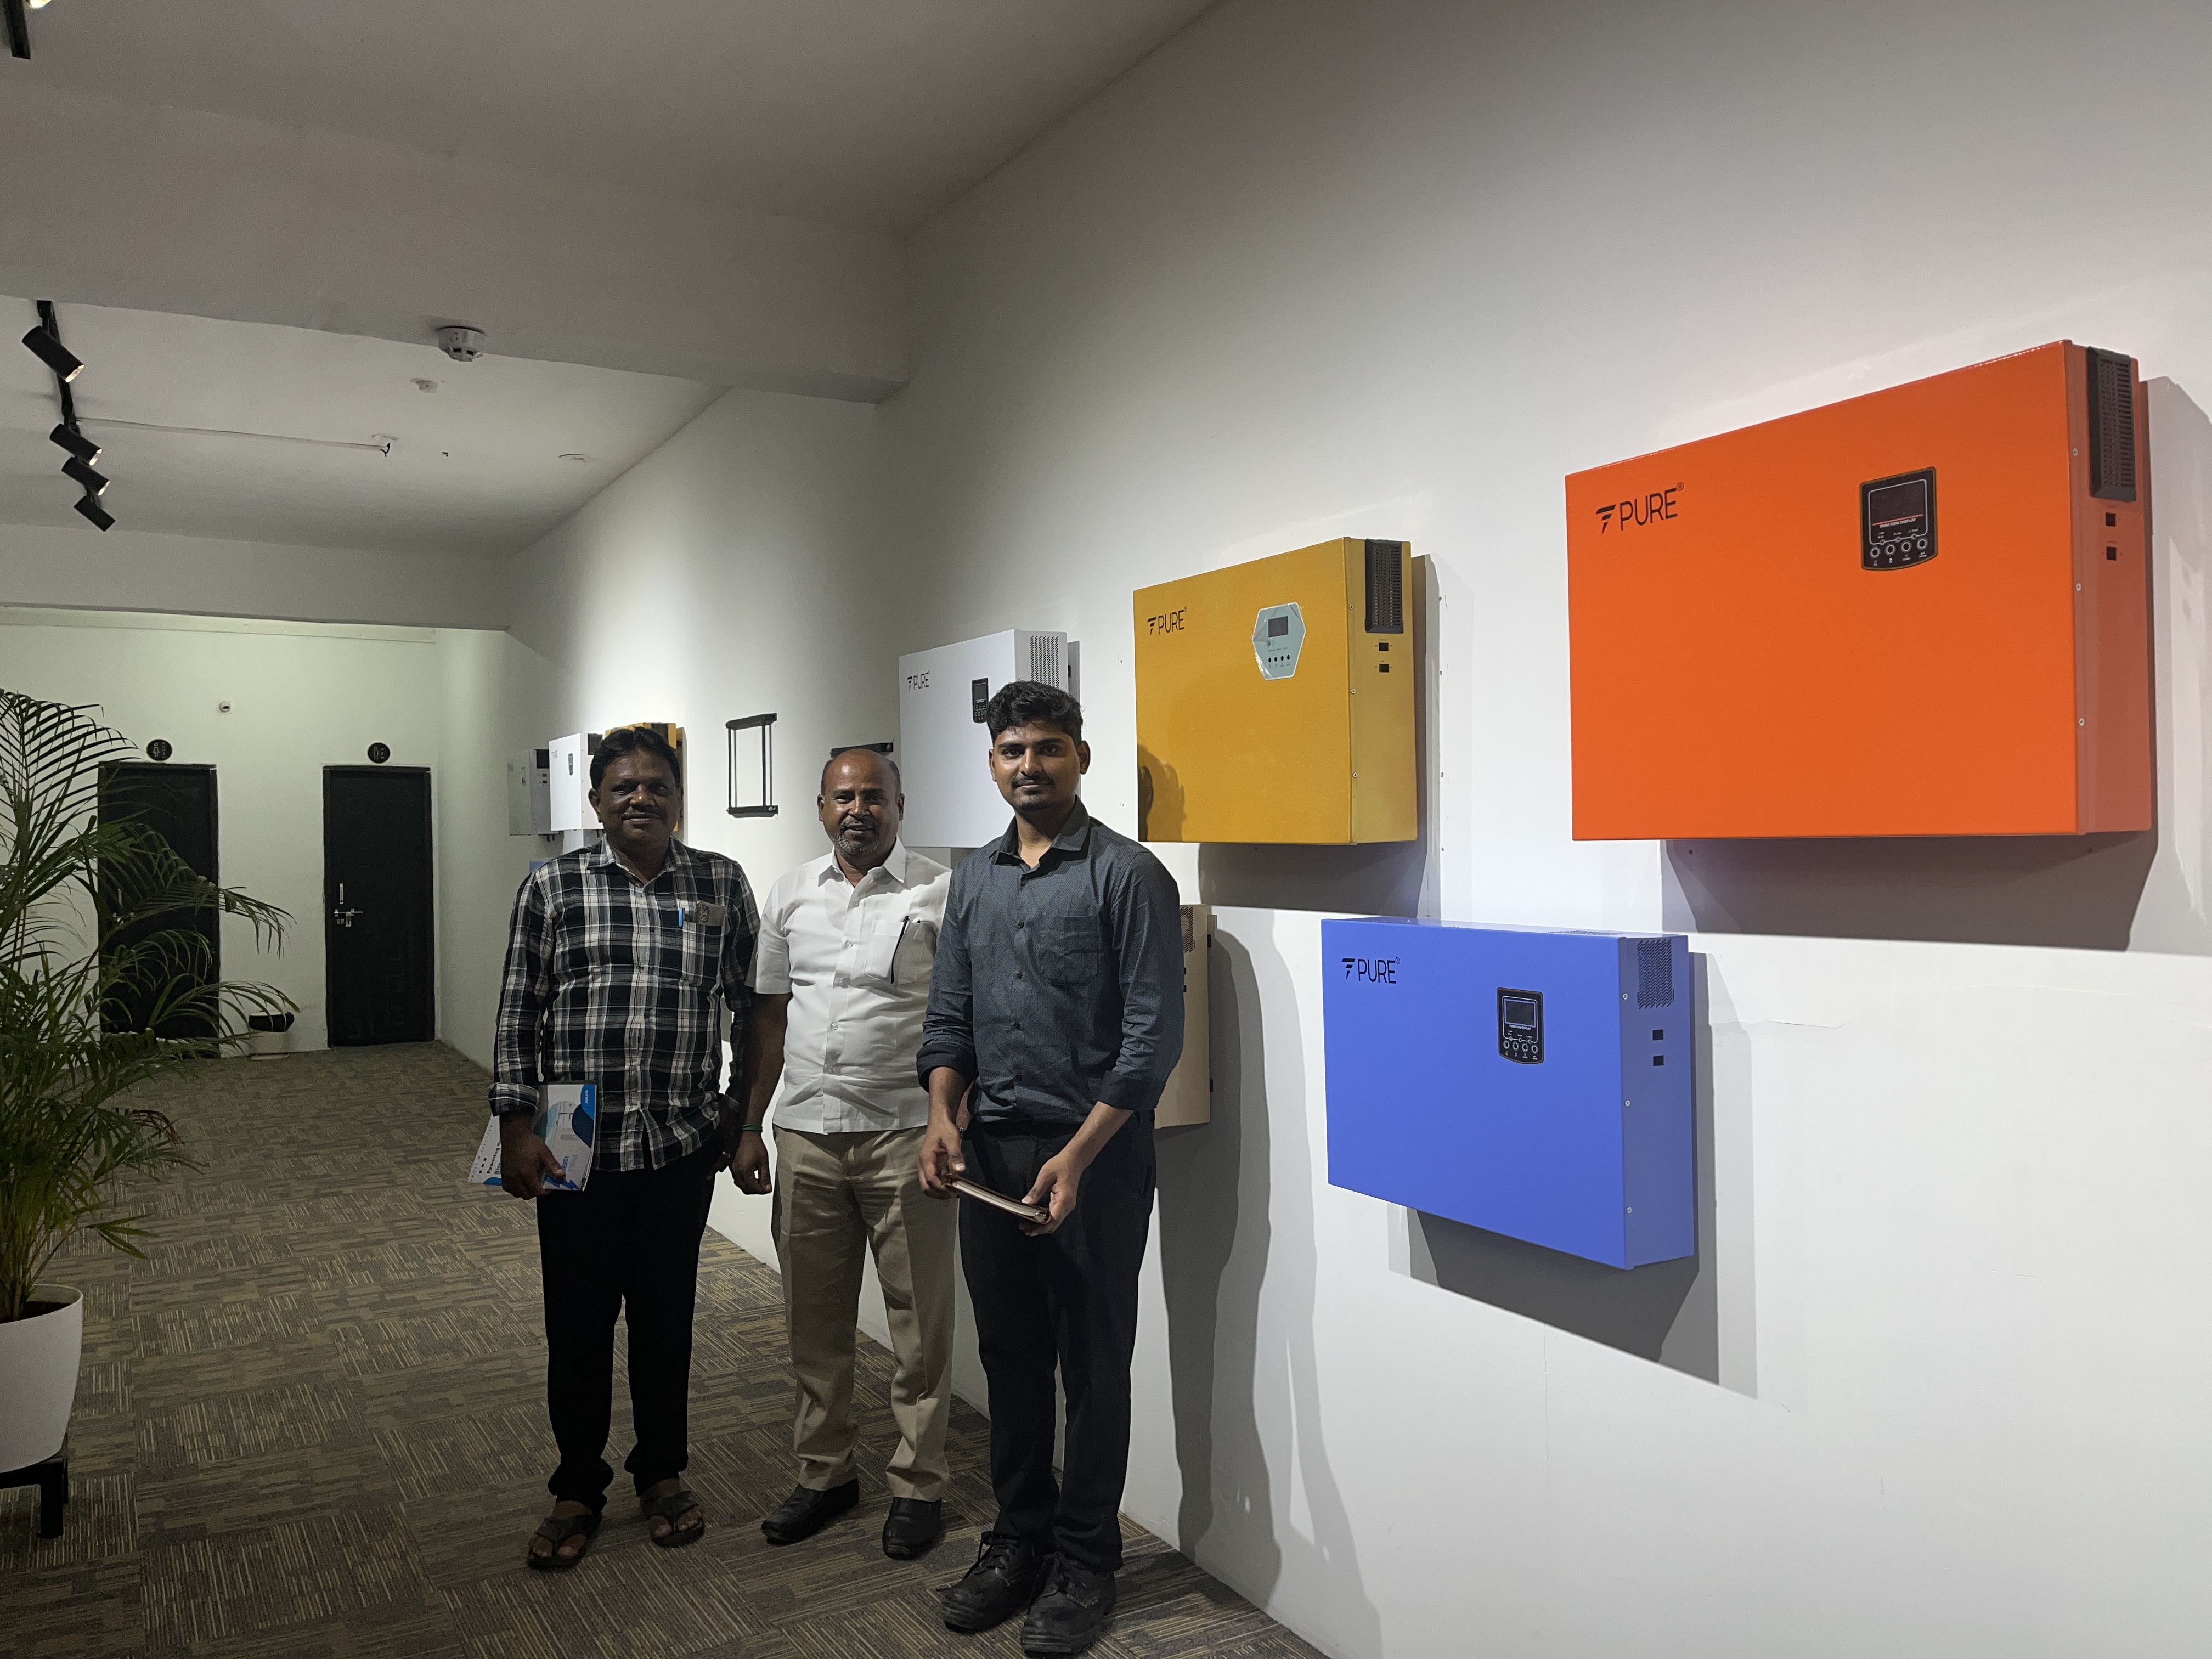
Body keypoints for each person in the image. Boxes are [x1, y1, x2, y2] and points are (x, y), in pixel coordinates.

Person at [916, 680, 1184, 1656]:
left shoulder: (1129, 874)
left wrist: (1078, 1154)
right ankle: (1019, 1539)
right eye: (1013, 750)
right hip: (990, 1152)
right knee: (1010, 1356)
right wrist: (941, 1114)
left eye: (1048, 748)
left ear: (1081, 757)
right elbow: (949, 1016)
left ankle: (1086, 1559)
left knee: (1093, 1364)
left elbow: (1153, 1039)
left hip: (1095, 1157)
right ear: (993, 762)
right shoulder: (974, 879)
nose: (1029, 765)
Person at [489, 725, 758, 1571]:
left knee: (665, 1319)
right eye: (624, 787)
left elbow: (752, 1005)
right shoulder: (554, 886)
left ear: (678, 797)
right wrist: (515, 1125)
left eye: (657, 786)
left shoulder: (721, 882)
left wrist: (739, 1112)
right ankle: (577, 1485)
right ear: (596, 800)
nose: (642, 798)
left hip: (679, 1140)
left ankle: (662, 1472)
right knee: (577, 1322)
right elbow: (519, 1008)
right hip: (573, 1139)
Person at [731, 748, 956, 1558]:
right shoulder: (790, 893)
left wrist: (949, 1119)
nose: (858, 809)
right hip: (807, 1134)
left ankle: (919, 1483)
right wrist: (750, 1124)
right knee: (813, 1321)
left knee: (919, 1327)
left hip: (904, 1133)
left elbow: (961, 1020)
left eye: (874, 796)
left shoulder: (941, 892)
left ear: (901, 803)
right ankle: (825, 1473)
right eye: (843, 797)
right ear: (820, 806)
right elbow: (769, 1019)